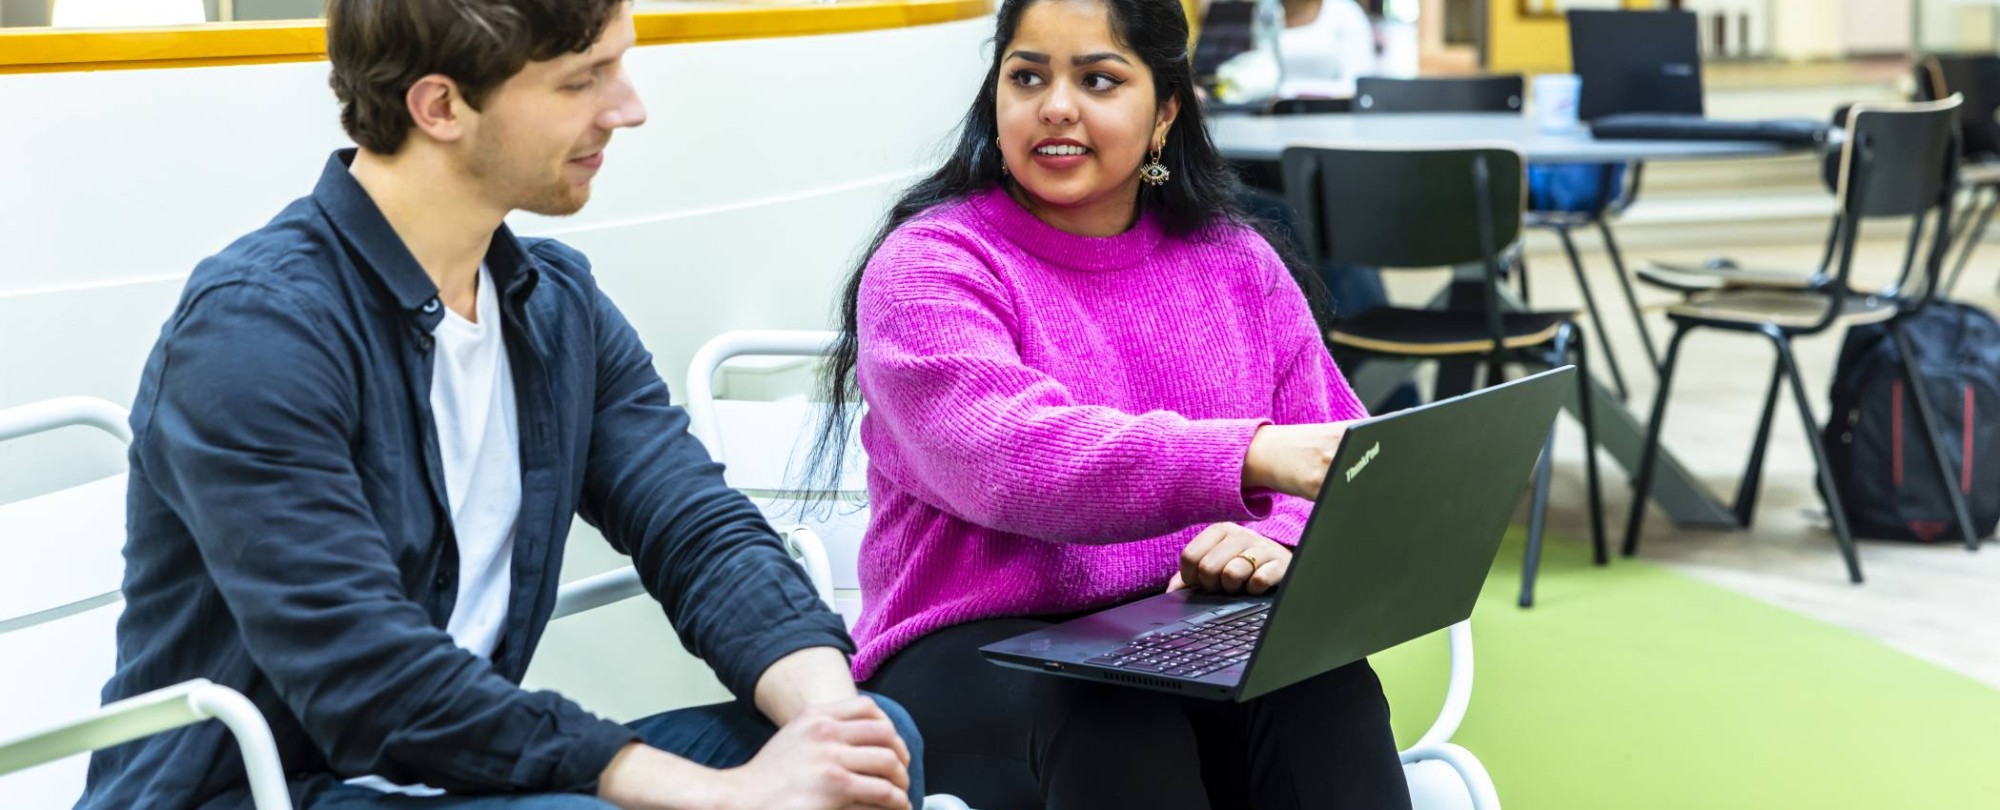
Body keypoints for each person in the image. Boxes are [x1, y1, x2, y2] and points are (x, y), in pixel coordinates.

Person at [79, 2, 921, 808]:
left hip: (453, 782)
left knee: (877, 750)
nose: (628, 108)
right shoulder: (255, 331)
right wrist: (721, 794)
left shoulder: (557, 307)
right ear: (441, 105)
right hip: (261, 792)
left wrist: (830, 723)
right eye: (581, 79)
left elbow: (696, 531)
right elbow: (365, 676)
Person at [805, 0, 1414, 806]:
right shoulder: (929, 265)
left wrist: (1276, 540)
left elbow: (1336, 456)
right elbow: (1010, 457)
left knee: (1321, 692)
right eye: (1027, 76)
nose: (1056, 105)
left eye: (1097, 79)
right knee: (1116, 719)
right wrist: (1248, 456)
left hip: (1181, 634)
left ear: (1166, 111)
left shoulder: (1238, 261)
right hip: (974, 653)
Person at [1277, 0, 1377, 99]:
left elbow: (1360, 84)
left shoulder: (1343, 12)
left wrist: (1291, 92)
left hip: (1331, 110)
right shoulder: (1266, 12)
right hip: (1267, 111)